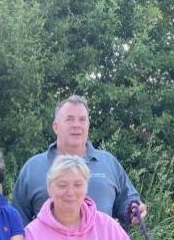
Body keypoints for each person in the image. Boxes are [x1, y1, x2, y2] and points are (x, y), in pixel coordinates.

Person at [13, 95, 147, 226]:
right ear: (56, 127)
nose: (76, 125)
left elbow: (127, 201)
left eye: (82, 119)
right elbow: (17, 223)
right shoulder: (33, 168)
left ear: (88, 125)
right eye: (69, 119)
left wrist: (133, 211)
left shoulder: (109, 163)